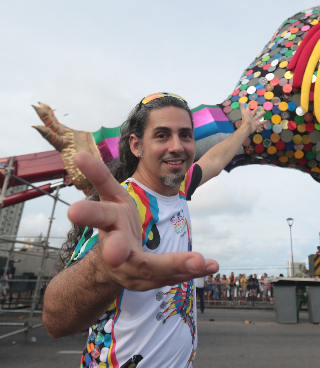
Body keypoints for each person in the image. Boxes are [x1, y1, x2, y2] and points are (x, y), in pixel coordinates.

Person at [42, 93, 267, 368]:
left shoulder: (181, 189)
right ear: (136, 145)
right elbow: (55, 321)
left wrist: (246, 128)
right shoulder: (125, 206)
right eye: (162, 135)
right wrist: (103, 270)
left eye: (185, 136)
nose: (177, 147)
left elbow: (215, 161)